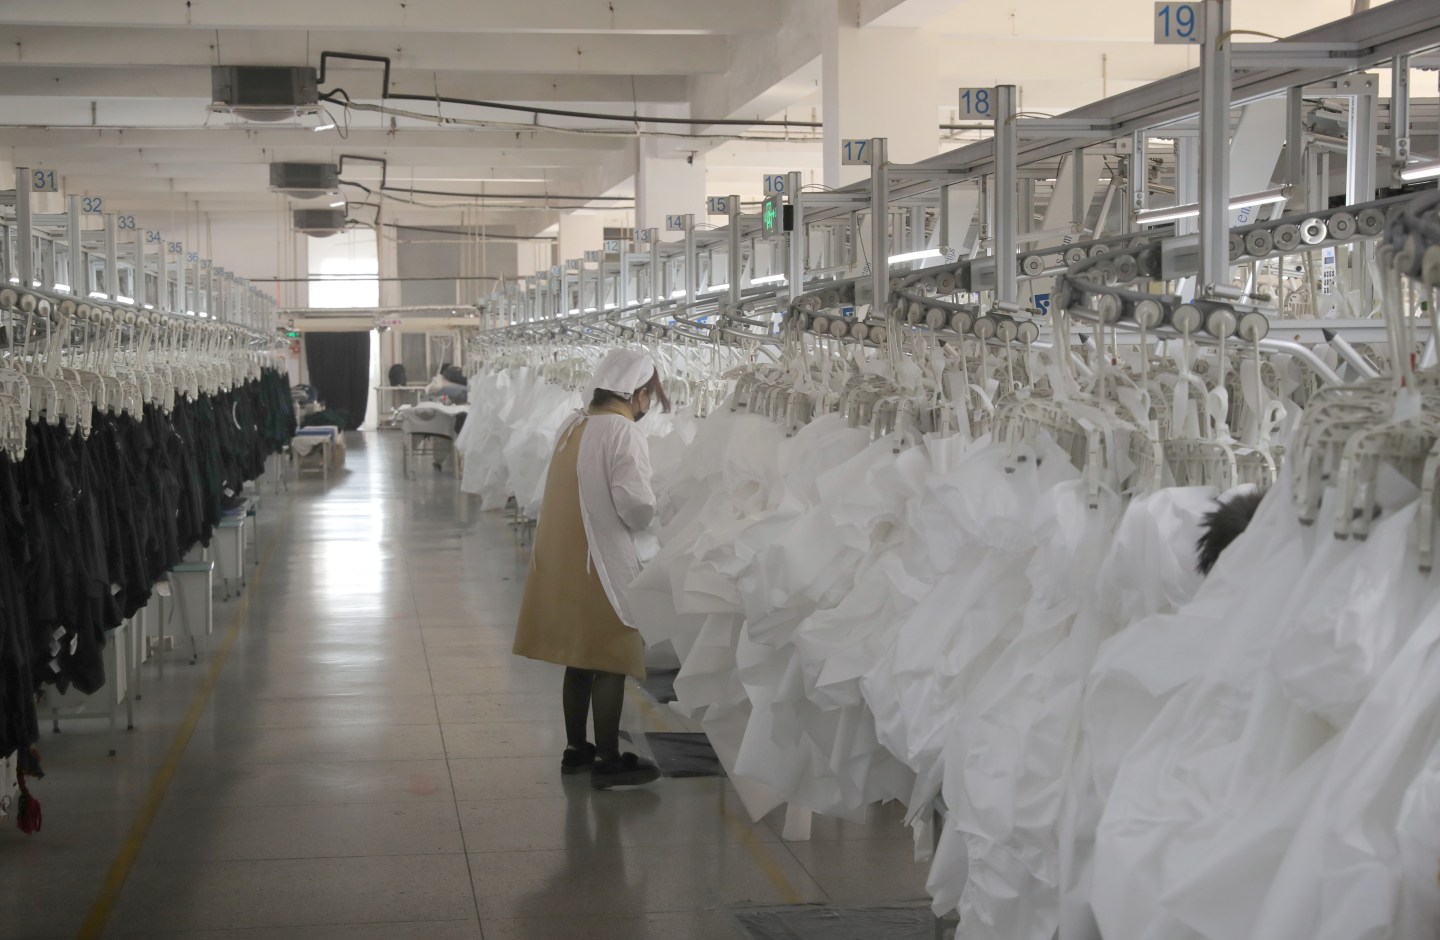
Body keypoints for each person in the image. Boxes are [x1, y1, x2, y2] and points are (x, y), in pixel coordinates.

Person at [513, 348, 670, 789]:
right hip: (601, 562)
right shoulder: (620, 432)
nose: (647, 406)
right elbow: (635, 507)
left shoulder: (573, 424)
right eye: (648, 397)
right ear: (638, 393)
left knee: (579, 659)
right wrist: (661, 506)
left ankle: (575, 748)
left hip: (566, 560)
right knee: (612, 659)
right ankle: (607, 758)